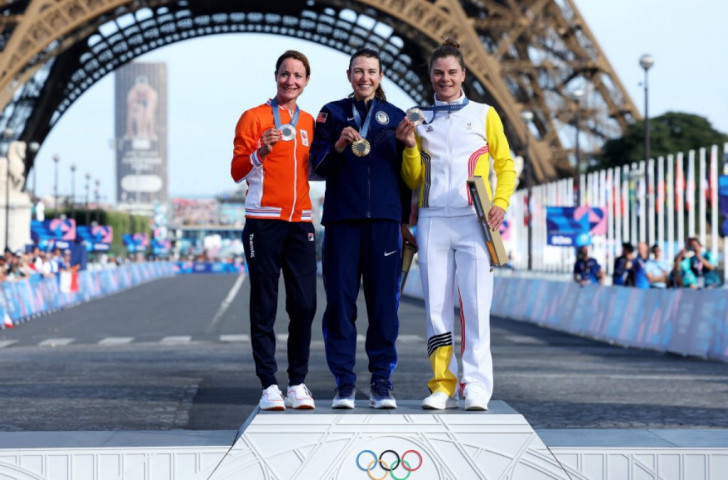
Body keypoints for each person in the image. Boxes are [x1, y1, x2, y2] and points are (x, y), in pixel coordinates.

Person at [396, 38, 516, 411]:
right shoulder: (417, 118)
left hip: (473, 219)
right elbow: (413, 179)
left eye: (451, 72)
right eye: (438, 73)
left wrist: (499, 203)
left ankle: (476, 384)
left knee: (476, 305)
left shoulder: (485, 114)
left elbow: (505, 165)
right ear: (430, 76)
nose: (445, 78)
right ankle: (442, 384)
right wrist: (410, 148)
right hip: (432, 219)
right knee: (436, 307)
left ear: (463, 74)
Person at [309, 48, 414, 410]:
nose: (364, 77)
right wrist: (338, 146)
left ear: (381, 76)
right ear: (348, 74)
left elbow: (409, 178)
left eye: (371, 71)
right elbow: (317, 167)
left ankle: (382, 382)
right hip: (342, 222)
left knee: (384, 307)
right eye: (358, 71)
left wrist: (404, 222)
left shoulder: (397, 118)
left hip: (384, 224)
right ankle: (345, 384)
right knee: (339, 306)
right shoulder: (331, 114)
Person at [230, 50, 317, 411]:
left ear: (306, 81)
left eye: (298, 75)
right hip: (263, 222)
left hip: (301, 223)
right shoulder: (253, 118)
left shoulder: (311, 122)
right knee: (264, 305)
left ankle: (297, 382)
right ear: (276, 75)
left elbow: (319, 168)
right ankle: (269, 384)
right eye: (285, 74)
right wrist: (259, 153)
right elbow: (236, 170)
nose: (290, 81)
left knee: (305, 305)